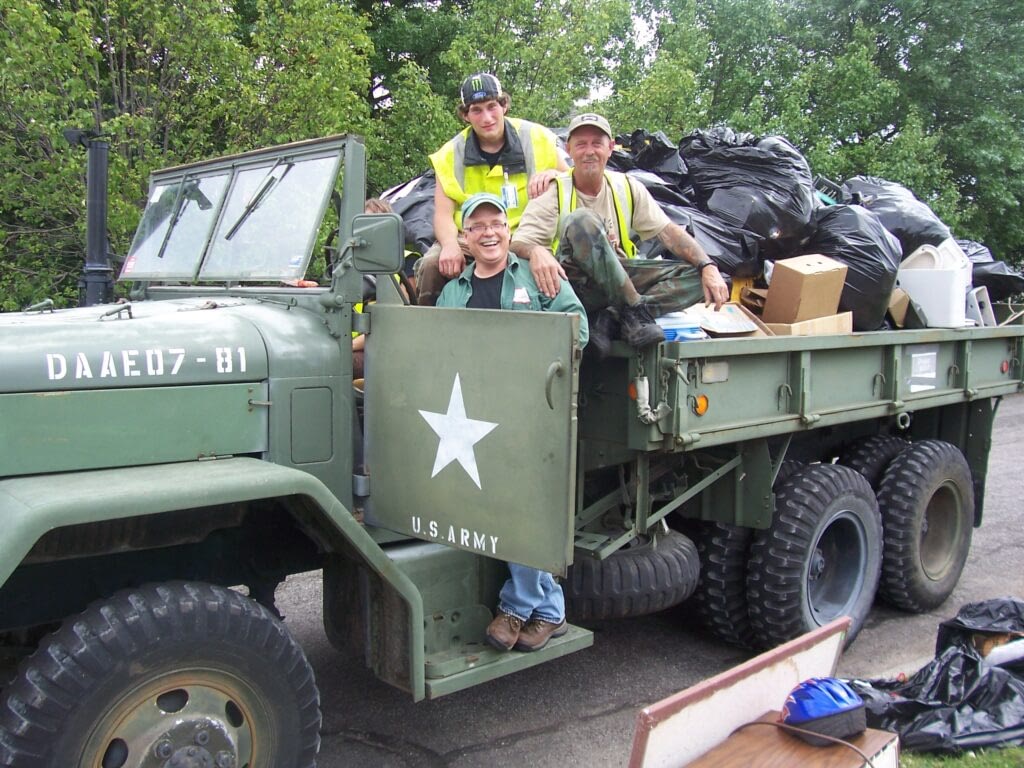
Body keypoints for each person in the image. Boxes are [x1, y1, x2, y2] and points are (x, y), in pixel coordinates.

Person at [436, 191, 588, 652]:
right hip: (476, 416)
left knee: (516, 508)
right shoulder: (453, 291)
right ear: (464, 238)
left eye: (496, 223)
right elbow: (439, 351)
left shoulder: (537, 275)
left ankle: (517, 607)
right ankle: (551, 610)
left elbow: (576, 326)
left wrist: (529, 362)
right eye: (477, 225)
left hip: (531, 413)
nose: (488, 232)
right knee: (496, 508)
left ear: (508, 230)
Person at [510, 113, 730, 351]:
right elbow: (519, 243)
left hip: (620, 277)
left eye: (597, 143)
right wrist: (535, 251)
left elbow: (668, 232)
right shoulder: (554, 191)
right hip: (573, 284)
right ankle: (634, 311)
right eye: (581, 144)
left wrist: (708, 267)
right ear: (569, 149)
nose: (589, 151)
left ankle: (612, 317)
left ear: (611, 148)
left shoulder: (626, 186)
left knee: (702, 278)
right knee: (582, 220)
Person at [416, 73, 570, 306]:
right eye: (476, 110)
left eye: (492, 106)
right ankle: (427, 331)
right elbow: (443, 214)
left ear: (504, 105)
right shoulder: (449, 153)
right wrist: (449, 246)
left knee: (553, 267)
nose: (486, 117)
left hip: (525, 236)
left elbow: (572, 182)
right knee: (431, 264)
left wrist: (555, 174)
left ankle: (560, 328)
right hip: (472, 237)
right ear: (465, 115)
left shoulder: (536, 137)